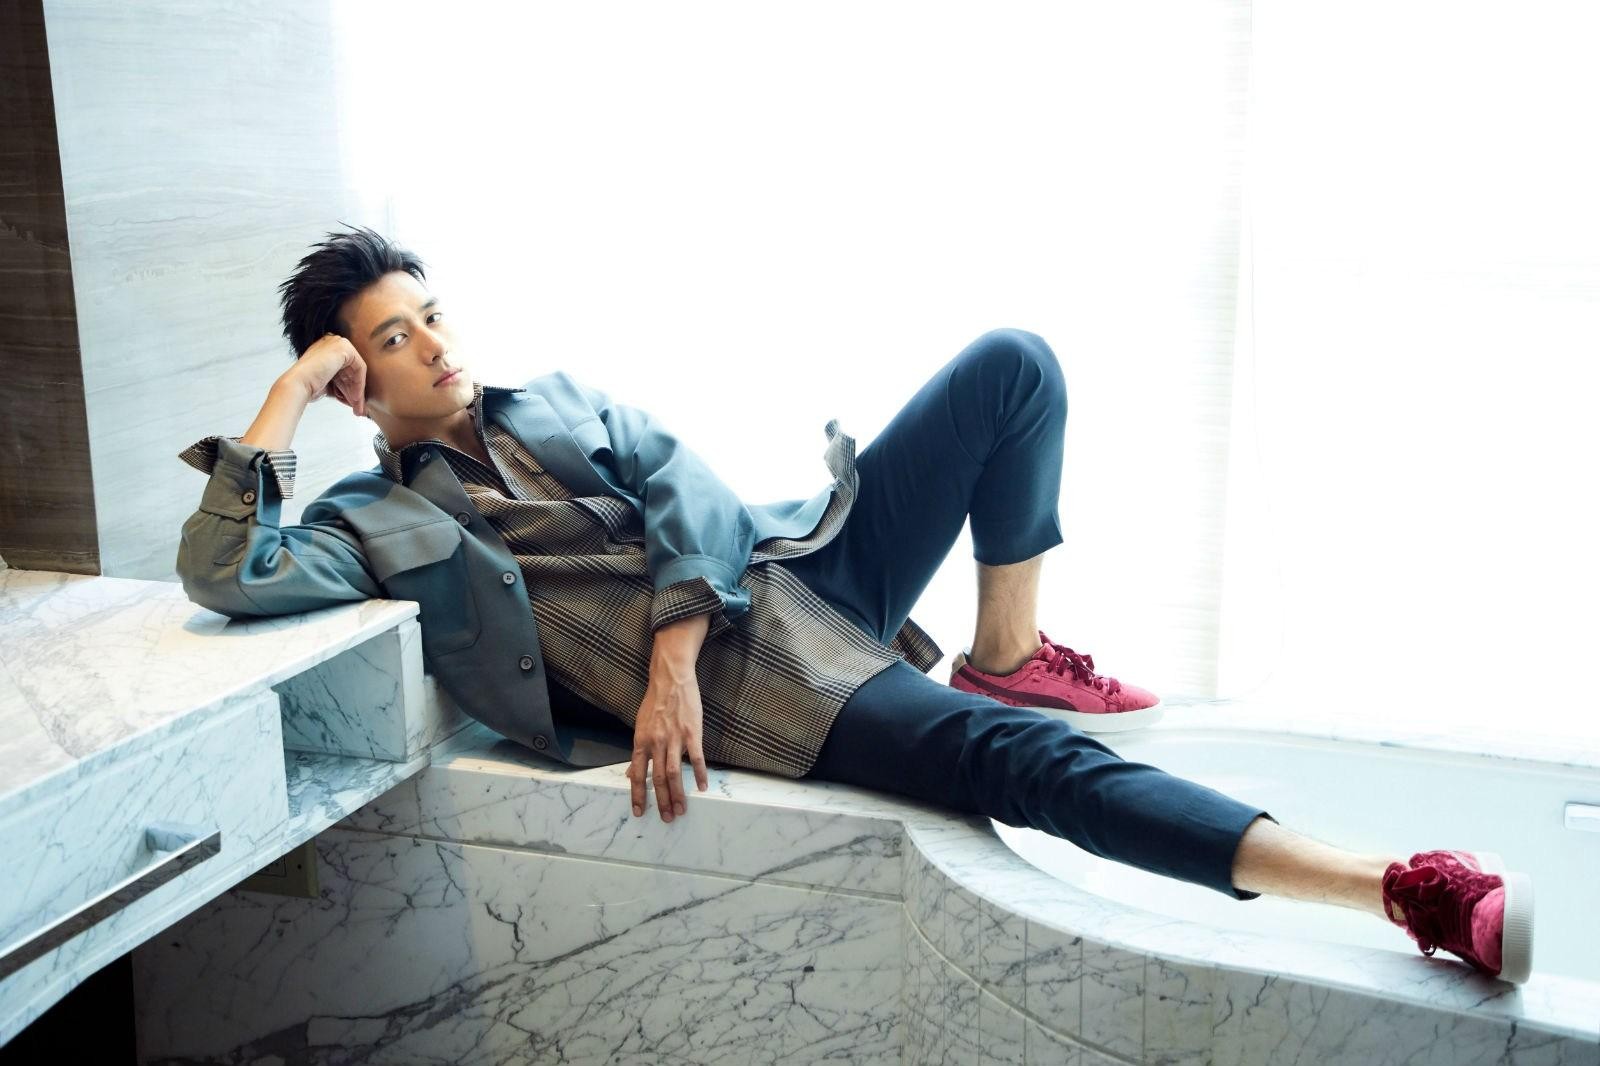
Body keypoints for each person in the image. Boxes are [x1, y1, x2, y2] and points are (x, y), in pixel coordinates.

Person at [176, 225, 1534, 984]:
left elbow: (689, 489)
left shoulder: (556, 397)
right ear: (356, 384)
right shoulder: (371, 525)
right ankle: (1402, 890)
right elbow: (225, 569)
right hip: (769, 683)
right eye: (394, 339)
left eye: (433, 313)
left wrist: (667, 656)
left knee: (1011, 367)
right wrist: (287, 395)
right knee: (1024, 765)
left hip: (785, 576)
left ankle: (1005, 650)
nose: (437, 345)